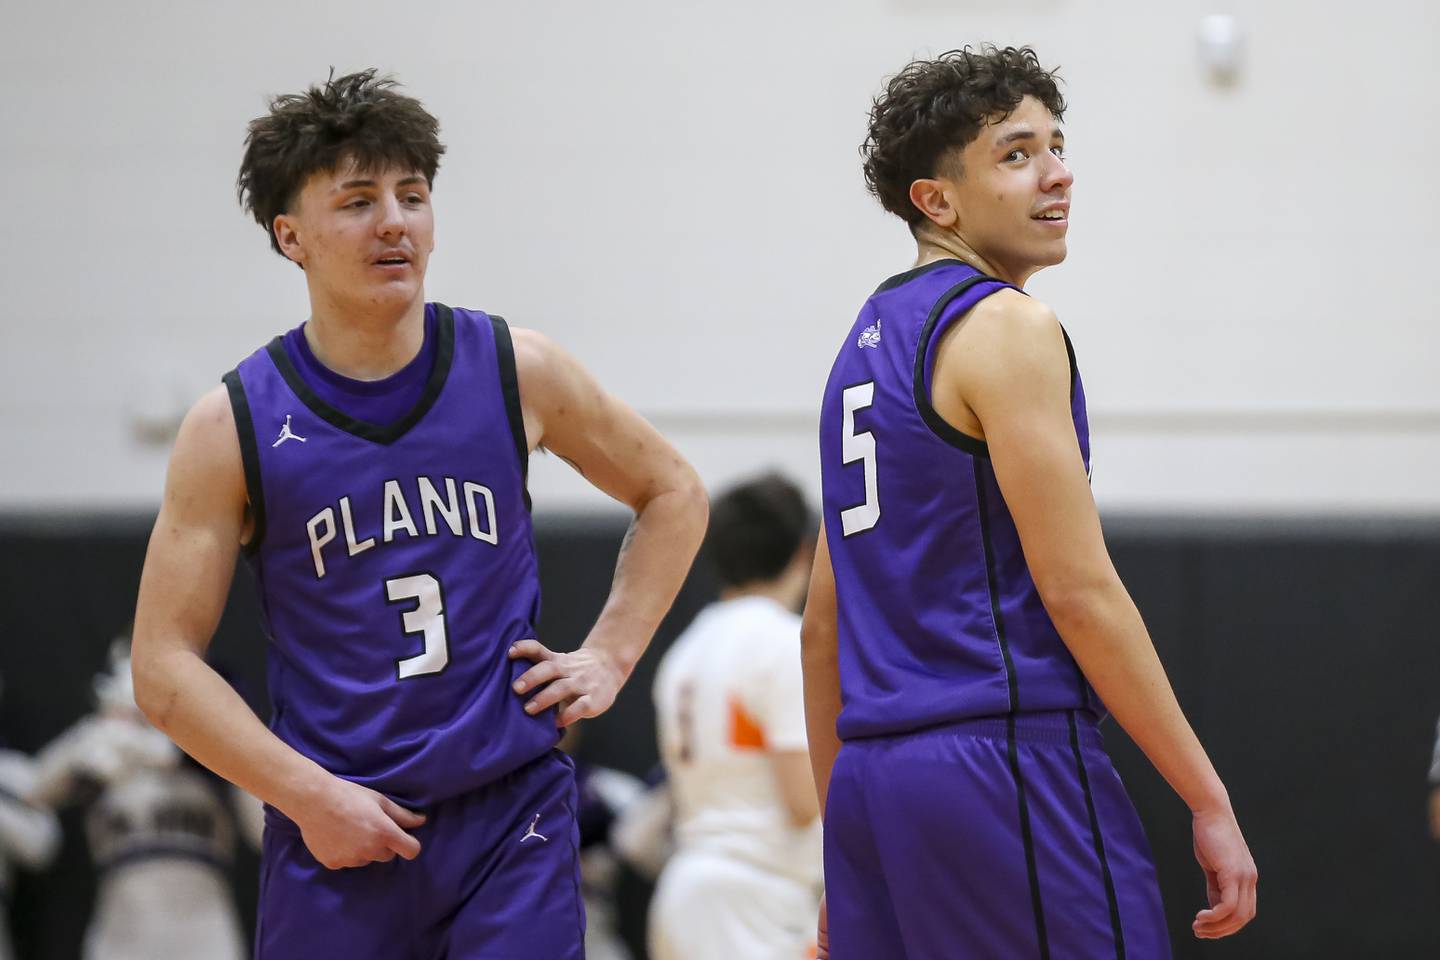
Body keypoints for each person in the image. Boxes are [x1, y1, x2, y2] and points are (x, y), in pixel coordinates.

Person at [130, 69, 707, 959]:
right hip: (339, 825)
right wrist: (304, 794)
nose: (395, 221)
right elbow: (163, 668)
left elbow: (673, 491)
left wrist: (609, 654)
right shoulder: (232, 424)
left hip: (509, 814)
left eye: (413, 195)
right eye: (358, 201)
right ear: (292, 236)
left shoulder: (515, 367)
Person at [802, 46, 1258, 958]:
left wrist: (847, 837)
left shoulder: (859, 355)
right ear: (938, 200)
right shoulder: (1005, 326)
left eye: (1056, 144)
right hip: (1001, 760)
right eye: (1017, 155)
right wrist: (1207, 797)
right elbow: (1080, 592)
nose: (1058, 173)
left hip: (873, 782)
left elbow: (821, 627)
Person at [650, 474, 822, 960]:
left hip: (685, 889)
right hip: (753, 901)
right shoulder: (785, 642)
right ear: (803, 553)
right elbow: (802, 801)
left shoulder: (685, 652)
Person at [32, 640, 261, 960]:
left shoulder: (212, 753)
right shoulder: (102, 744)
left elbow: (263, 833)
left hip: (205, 936)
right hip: (119, 938)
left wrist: (207, 748)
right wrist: (92, 738)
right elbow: (34, 792)